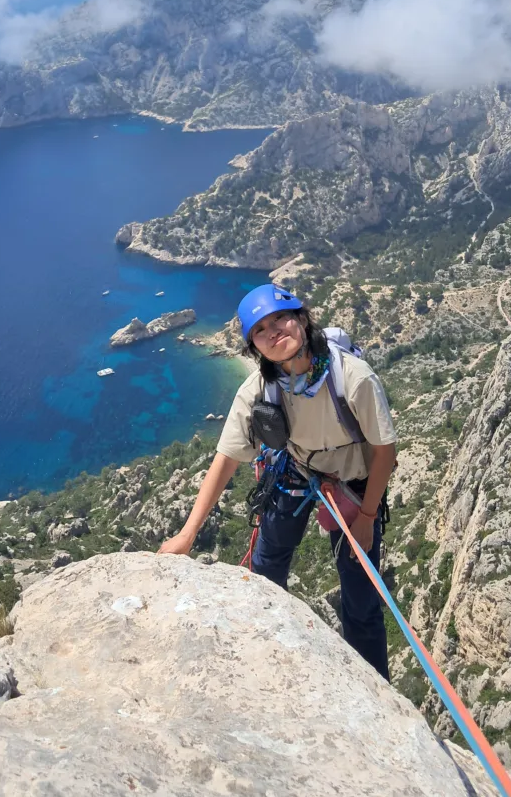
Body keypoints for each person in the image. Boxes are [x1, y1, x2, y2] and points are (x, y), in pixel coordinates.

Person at [158, 283, 397, 681]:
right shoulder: (260, 388)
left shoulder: (352, 378)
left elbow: (384, 453)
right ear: (254, 346)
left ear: (302, 319)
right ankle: (263, 655)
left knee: (360, 599)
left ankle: (377, 690)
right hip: (297, 467)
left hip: (355, 481)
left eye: (280, 319)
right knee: (267, 565)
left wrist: (368, 517)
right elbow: (226, 458)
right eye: (260, 330)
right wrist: (187, 534)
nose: (273, 332)